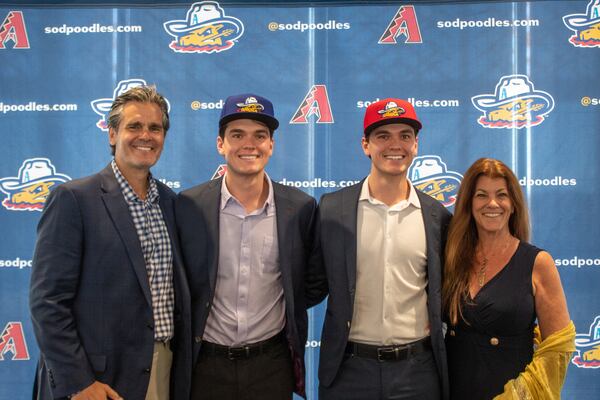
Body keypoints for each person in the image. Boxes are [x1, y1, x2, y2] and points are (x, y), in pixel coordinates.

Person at [29, 85, 191, 400]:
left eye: (154, 128)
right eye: (134, 126)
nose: (145, 135)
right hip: (96, 380)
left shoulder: (173, 205)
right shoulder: (74, 200)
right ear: (112, 134)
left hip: (161, 372)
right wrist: (78, 381)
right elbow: (46, 303)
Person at [175, 93, 323, 400]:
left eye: (259, 135)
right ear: (221, 144)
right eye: (237, 135)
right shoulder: (189, 206)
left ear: (271, 145)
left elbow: (312, 282)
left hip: (271, 365)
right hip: (205, 366)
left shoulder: (301, 208)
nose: (249, 144)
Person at [315, 98, 451, 399]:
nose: (395, 144)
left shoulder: (438, 217)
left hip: (417, 372)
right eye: (383, 136)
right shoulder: (331, 209)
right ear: (366, 145)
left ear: (416, 145)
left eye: (405, 136)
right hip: (348, 371)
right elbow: (311, 283)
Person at [443, 158, 574, 400]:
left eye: (501, 195)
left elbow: (558, 350)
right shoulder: (451, 257)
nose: (492, 203)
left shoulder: (538, 263)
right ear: (469, 204)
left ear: (513, 204)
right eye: (481, 195)